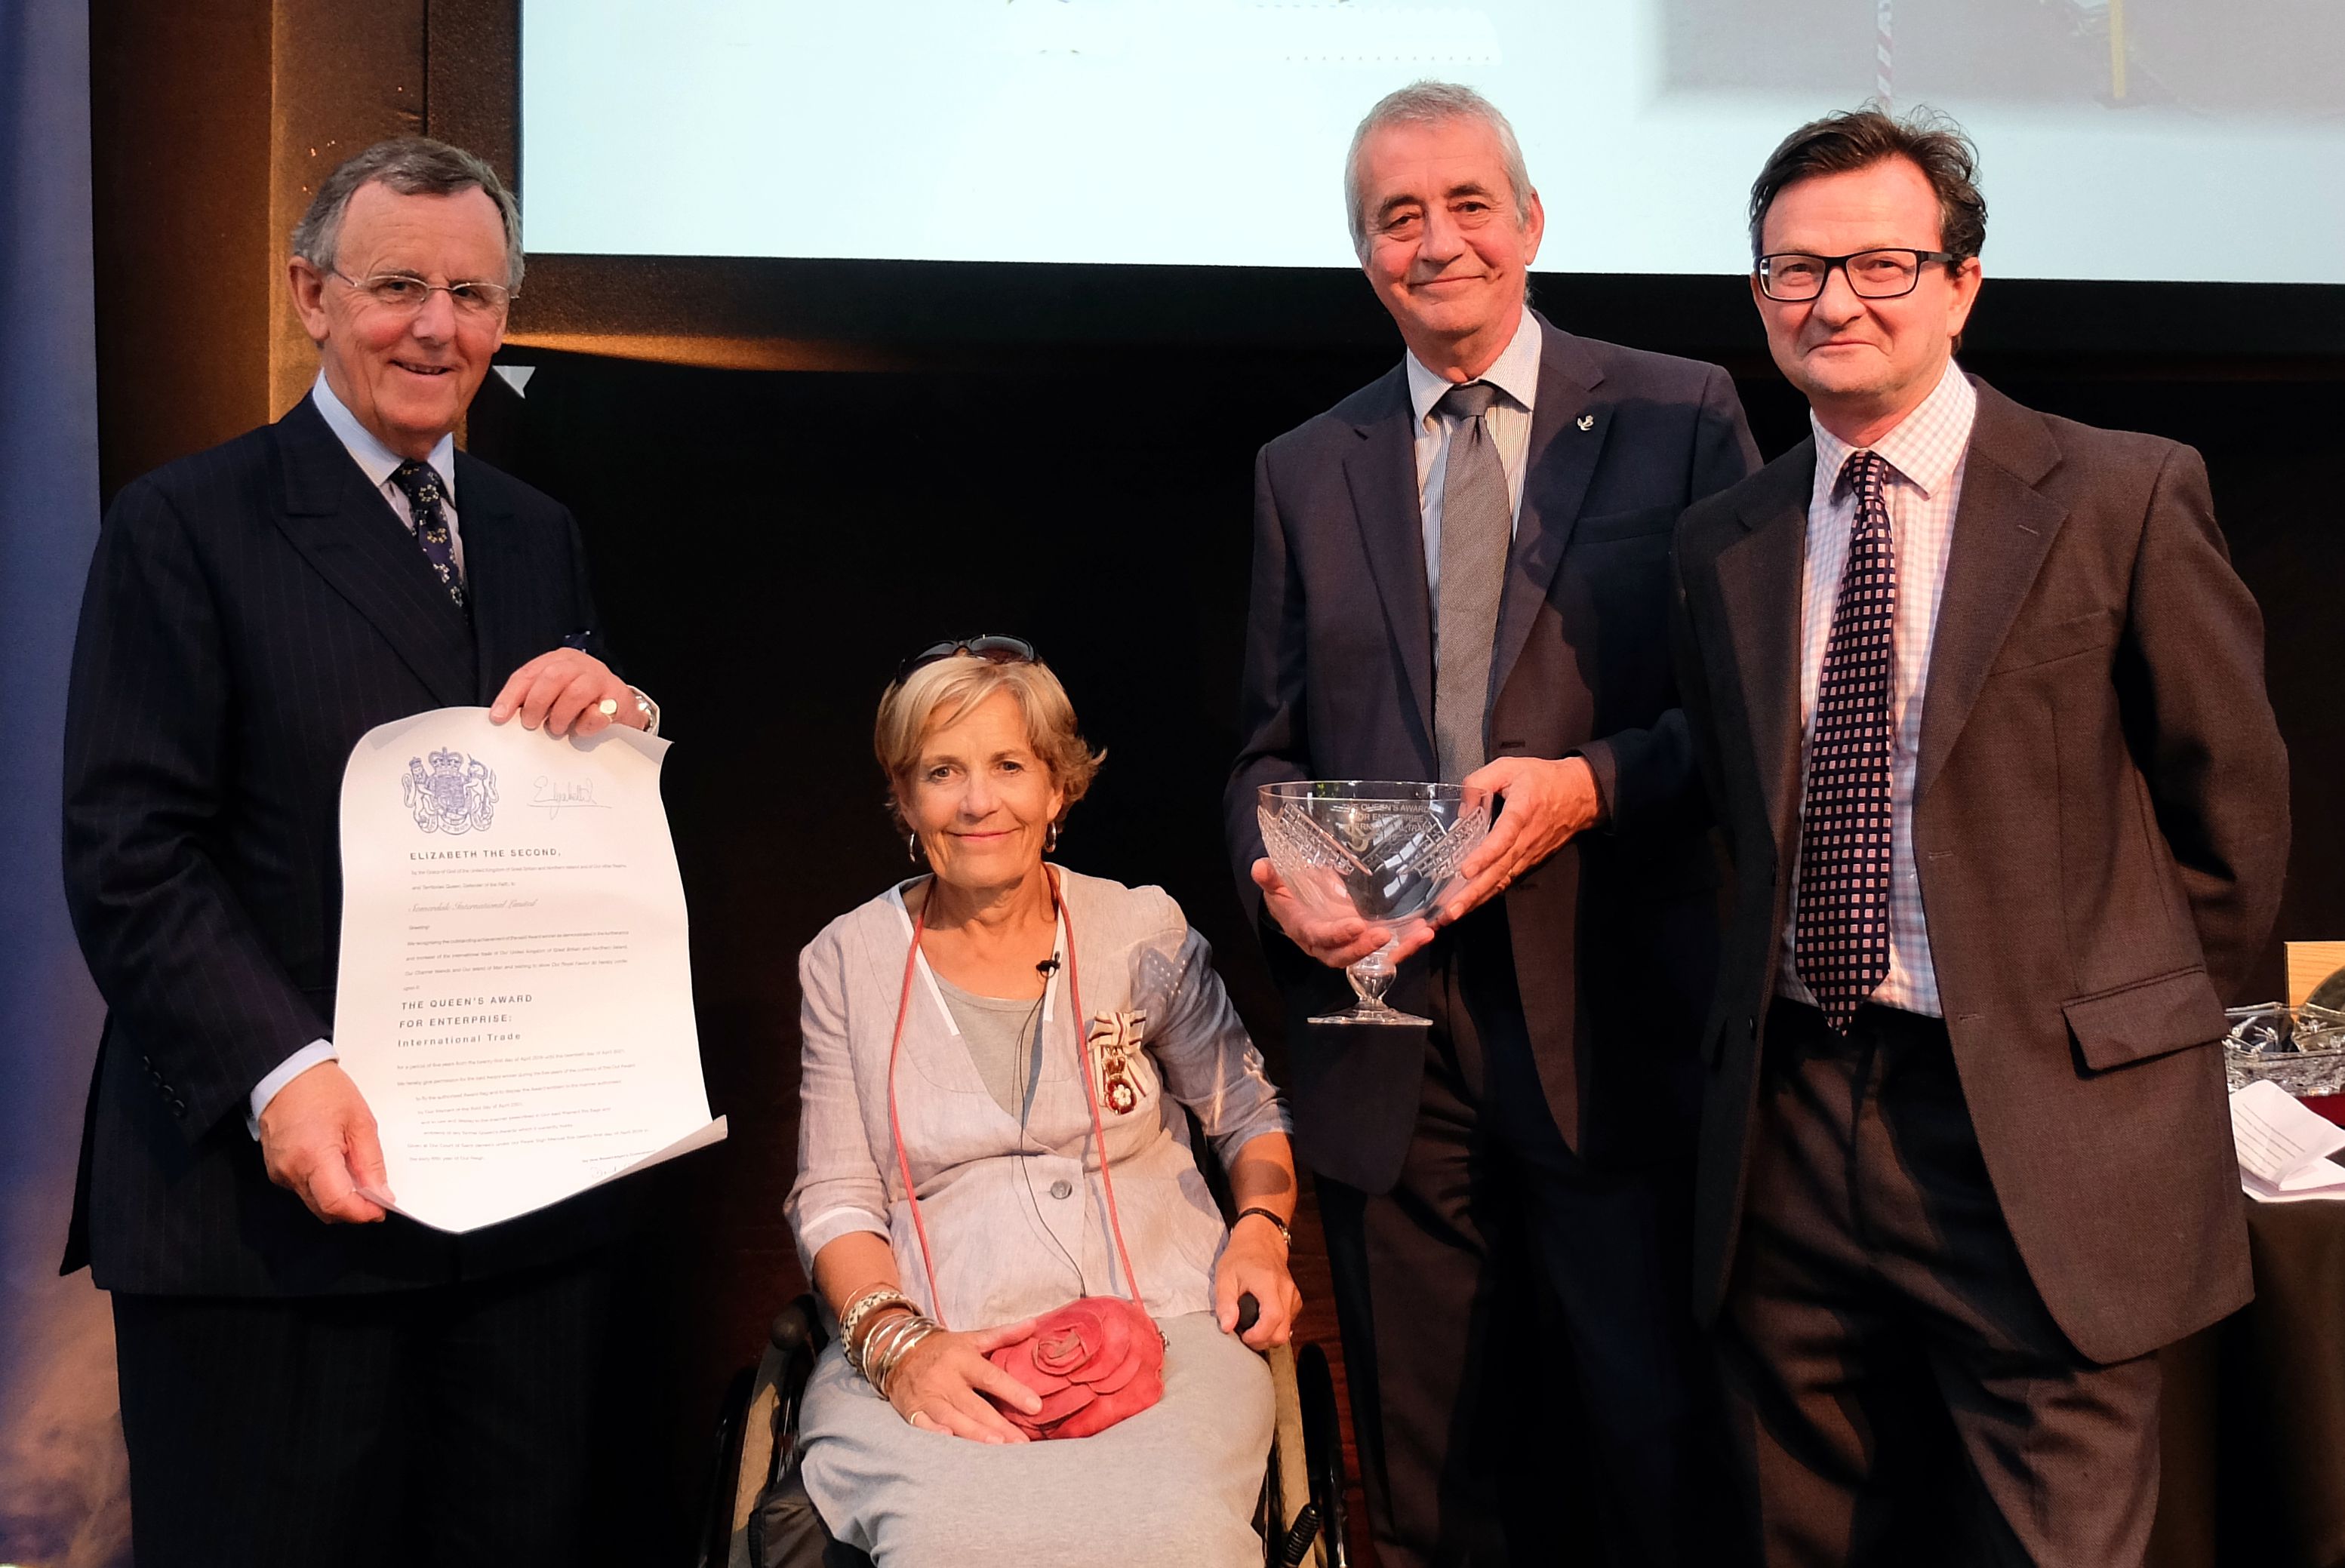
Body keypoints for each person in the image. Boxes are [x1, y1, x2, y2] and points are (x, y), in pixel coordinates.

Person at [1670, 107, 2290, 1566]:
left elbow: (2231, 810)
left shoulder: (2124, 493)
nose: (1833, 300)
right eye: (1792, 270)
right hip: (1793, 1120)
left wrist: (2113, 1047)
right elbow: (1728, 822)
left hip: (2045, 1133)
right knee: (1801, 1530)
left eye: (1880, 263)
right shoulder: (1726, 540)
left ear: (1962, 280)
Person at [60, 137, 658, 1567]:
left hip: (511, 1222)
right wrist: (283, 1067)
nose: (436, 326)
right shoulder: (183, 524)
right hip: (261, 1227)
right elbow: (128, 850)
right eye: (397, 285)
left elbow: (547, 817)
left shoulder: (537, 534)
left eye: (473, 292)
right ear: (308, 295)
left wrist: (626, 733)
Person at [1224, 80, 1760, 1566]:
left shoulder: (1675, 413)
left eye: (1466, 203)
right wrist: (1278, 875)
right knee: (1428, 1475)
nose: (1436, 239)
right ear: (1362, 254)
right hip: (1385, 1034)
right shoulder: (1300, 469)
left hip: (1609, 1024)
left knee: (1649, 1445)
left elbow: (1740, 724)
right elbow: (1261, 753)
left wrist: (1587, 783)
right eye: (1397, 216)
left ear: (1528, 222)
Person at [787, 640, 1303, 1566]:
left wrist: (1261, 1228)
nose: (978, 800)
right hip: (939, 1341)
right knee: (951, 1541)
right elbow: (833, 1196)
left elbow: (1247, 1111)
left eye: (1008, 766)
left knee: (1177, 1534)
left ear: (1058, 787)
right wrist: (898, 1346)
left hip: (1168, 1324)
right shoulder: (844, 961)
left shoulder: (1141, 928)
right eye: (942, 772)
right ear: (905, 801)